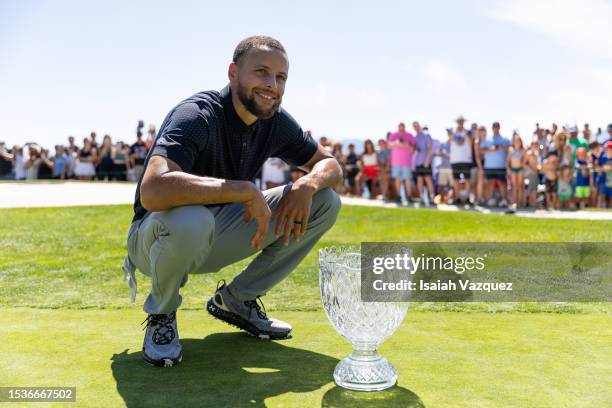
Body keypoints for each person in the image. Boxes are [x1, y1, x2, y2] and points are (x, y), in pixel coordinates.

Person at [122, 35, 342, 367]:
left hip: (215, 235)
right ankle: (162, 314)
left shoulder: (275, 122)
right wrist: (241, 190)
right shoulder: (196, 115)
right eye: (262, 72)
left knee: (326, 200)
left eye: (281, 78)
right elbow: (152, 191)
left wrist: (307, 184)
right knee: (193, 218)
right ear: (233, 72)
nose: (272, 85)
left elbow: (332, 166)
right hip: (154, 240)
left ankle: (238, 300)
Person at [480, 122, 510, 207]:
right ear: (492, 128)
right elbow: (481, 150)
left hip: (501, 166)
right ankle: (489, 200)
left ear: (499, 128)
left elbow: (510, 148)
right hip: (489, 166)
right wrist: (491, 149)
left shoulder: (505, 139)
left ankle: (504, 200)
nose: (495, 129)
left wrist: (500, 147)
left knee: (502, 183)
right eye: (494, 127)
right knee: (490, 183)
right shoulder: (487, 140)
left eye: (497, 127)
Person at [388, 122, 416, 203]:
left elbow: (413, 147)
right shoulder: (393, 135)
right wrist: (396, 142)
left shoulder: (409, 135)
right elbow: (389, 145)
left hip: (406, 162)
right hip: (396, 162)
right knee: (397, 179)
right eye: (400, 126)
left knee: (407, 180)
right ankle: (398, 196)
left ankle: (409, 196)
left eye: (402, 126)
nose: (401, 128)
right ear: (398, 127)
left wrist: (406, 145)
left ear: (404, 127)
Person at [449, 123, 473, 204]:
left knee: (467, 180)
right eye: (459, 121)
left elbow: (470, 142)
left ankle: (466, 198)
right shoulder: (453, 133)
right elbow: (450, 140)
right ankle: (457, 198)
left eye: (461, 121)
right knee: (456, 180)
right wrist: (456, 131)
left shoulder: (468, 133)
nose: (460, 123)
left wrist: (464, 131)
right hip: (455, 161)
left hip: (466, 161)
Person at [412, 122, 434, 204]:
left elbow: (430, 148)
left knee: (428, 179)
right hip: (418, 162)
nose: (416, 127)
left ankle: (431, 197)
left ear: (420, 126)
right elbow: (414, 150)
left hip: (426, 162)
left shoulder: (426, 135)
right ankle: (421, 197)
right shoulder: (415, 137)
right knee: (419, 180)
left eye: (417, 126)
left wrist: (427, 160)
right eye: (414, 126)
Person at [506, 134, 525, 210]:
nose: (517, 142)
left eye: (518, 141)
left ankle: (520, 202)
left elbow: (524, 161)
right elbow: (507, 161)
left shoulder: (522, 150)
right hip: (513, 169)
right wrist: (508, 169)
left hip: (520, 169)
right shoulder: (511, 150)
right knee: (514, 187)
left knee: (520, 186)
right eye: (515, 141)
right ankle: (514, 202)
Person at [524, 139, 541, 208]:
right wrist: (531, 170)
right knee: (530, 189)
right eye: (534, 145)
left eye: (536, 145)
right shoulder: (528, 153)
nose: (535, 146)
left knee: (534, 189)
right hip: (530, 173)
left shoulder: (537, 153)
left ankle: (533, 203)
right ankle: (529, 203)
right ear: (531, 145)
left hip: (536, 173)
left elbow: (538, 164)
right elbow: (525, 164)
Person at [599, 141, 612, 208]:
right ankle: (601, 208)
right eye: (607, 149)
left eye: (609, 149)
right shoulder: (603, 157)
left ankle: (610, 208)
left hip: (611, 180)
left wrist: (608, 168)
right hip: (604, 179)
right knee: (602, 195)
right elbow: (601, 167)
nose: (608, 150)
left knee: (610, 196)